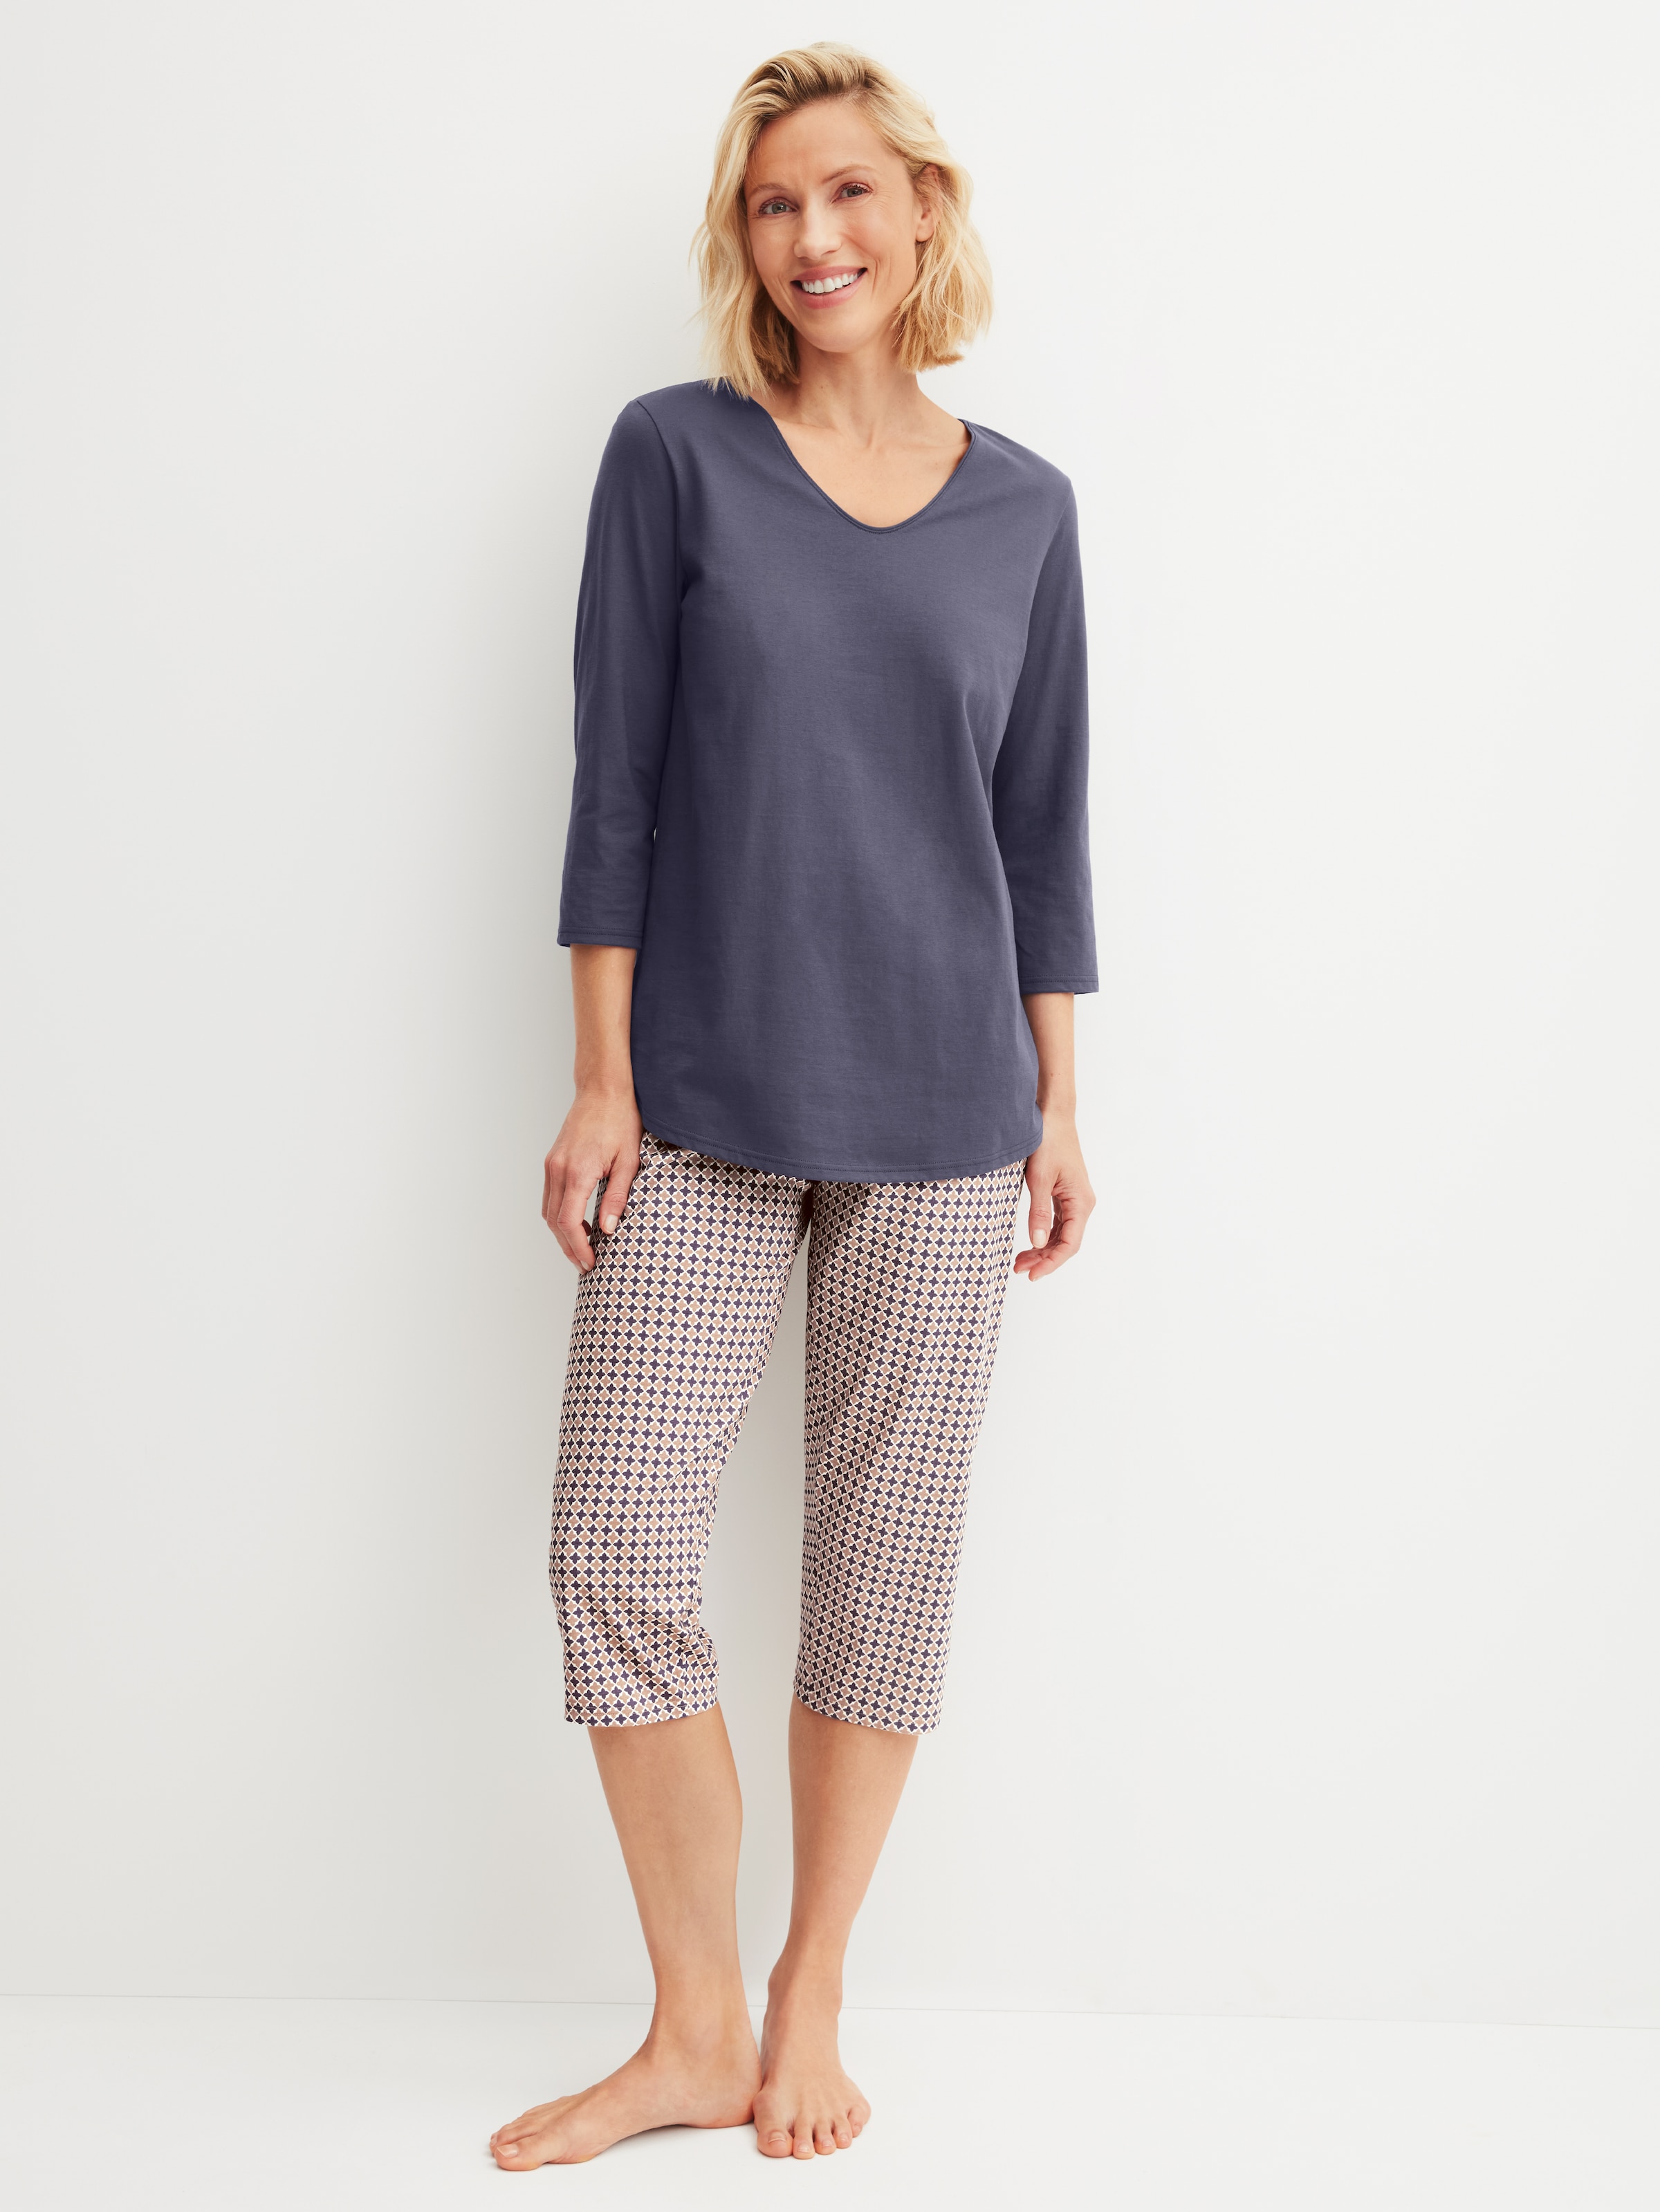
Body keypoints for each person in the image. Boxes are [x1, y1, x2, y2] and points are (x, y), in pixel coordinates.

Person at [490, 41, 1097, 2170]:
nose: (814, 235)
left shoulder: (1028, 510)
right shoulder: (674, 457)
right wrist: (597, 1082)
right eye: (773, 204)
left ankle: (810, 1989)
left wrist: (1061, 1102)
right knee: (616, 1543)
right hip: (703, 1102)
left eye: (848, 192)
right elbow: (619, 786)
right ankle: (692, 2025)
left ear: (923, 211)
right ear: (741, 242)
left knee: (883, 1574)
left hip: (947, 1108)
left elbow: (1042, 831)